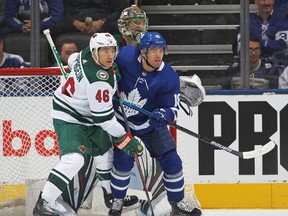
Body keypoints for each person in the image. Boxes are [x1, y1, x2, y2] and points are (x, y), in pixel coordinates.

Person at [32, 32, 143, 216]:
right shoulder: (99, 81)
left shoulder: (83, 54)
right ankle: (44, 203)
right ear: (94, 52)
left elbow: (72, 59)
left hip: (86, 114)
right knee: (74, 159)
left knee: (105, 153)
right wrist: (125, 137)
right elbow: (104, 120)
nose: (110, 55)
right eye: (104, 51)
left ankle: (111, 196)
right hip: (69, 115)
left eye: (112, 50)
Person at [109, 32, 202, 216]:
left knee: (173, 161)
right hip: (121, 122)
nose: (158, 55)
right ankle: (117, 200)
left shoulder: (169, 77)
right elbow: (102, 60)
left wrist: (162, 114)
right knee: (123, 159)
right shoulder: (125, 56)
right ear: (142, 52)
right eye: (153, 50)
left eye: (161, 50)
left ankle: (177, 203)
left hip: (149, 125)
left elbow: (172, 108)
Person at [49, 0, 122, 38]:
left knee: (119, 26)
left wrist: (103, 21)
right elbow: (64, 10)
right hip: (76, 20)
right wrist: (74, 22)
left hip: (103, 20)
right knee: (53, 27)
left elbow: (119, 11)